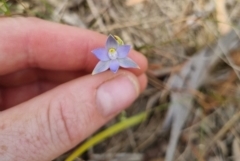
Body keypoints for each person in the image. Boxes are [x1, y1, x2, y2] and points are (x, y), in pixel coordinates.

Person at [0, 17, 148, 161]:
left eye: (113, 51)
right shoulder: (103, 59)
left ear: (119, 49)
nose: (112, 53)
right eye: (110, 51)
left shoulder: (121, 56)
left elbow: (122, 61)